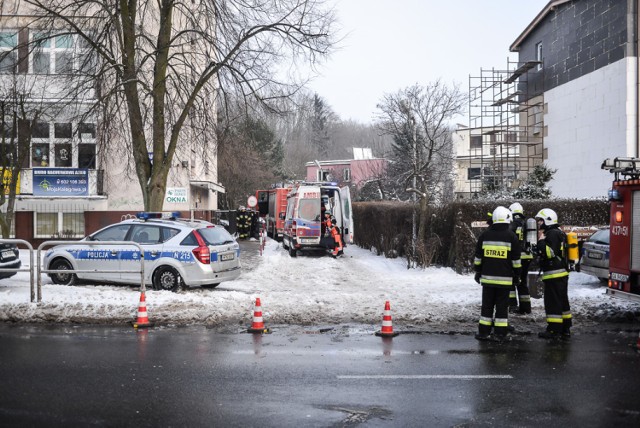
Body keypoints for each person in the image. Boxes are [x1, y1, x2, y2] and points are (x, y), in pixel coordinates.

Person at [473, 206, 522, 341]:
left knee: (487, 306)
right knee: (501, 307)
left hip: (487, 280)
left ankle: (483, 332)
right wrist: (517, 275)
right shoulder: (511, 236)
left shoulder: (484, 235)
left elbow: (478, 257)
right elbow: (516, 260)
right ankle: (500, 334)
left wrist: (478, 272)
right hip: (504, 281)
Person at [534, 208, 571, 340]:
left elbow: (550, 253)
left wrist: (541, 242)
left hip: (554, 274)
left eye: (540, 220)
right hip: (560, 274)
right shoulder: (559, 232)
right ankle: (565, 328)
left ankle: (554, 330)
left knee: (552, 302)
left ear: (547, 220)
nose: (539, 223)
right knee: (562, 301)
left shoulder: (552, 234)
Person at [508, 202, 532, 314]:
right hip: (527, 256)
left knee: (512, 281)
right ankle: (526, 307)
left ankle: (512, 305)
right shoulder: (527, 222)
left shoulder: (512, 223)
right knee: (522, 283)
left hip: (516, 257)